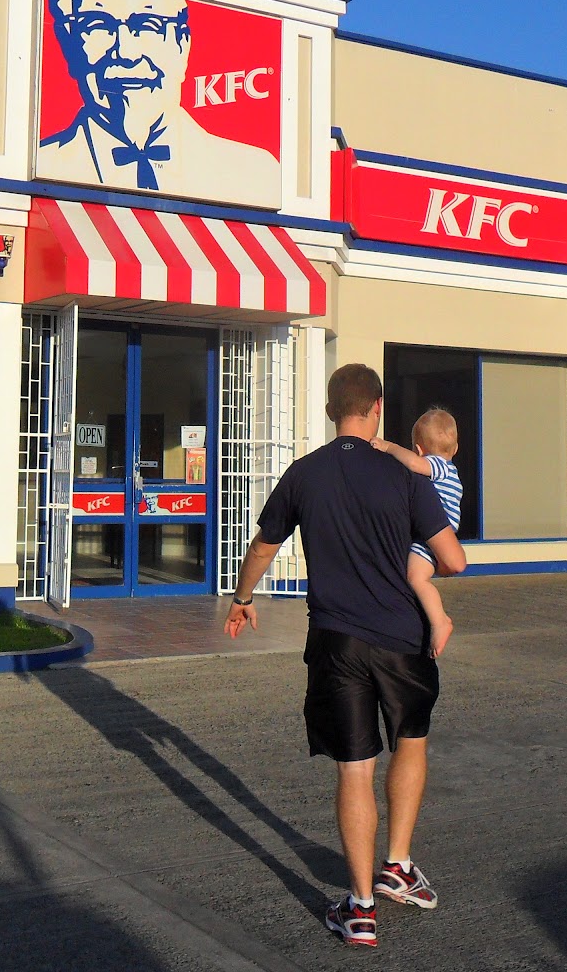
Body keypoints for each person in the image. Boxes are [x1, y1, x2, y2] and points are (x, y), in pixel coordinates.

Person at [224, 364, 466, 949]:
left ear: (333, 409)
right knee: (410, 743)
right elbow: (453, 560)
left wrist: (242, 597)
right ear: (378, 407)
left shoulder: (304, 473)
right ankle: (399, 867)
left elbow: (263, 546)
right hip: (404, 641)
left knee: (354, 767)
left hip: (337, 642)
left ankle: (359, 909)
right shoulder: (407, 475)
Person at [39, 0, 282, 209]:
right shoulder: (46, 162)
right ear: (67, 45)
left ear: (182, 46)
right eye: (97, 25)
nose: (126, 53)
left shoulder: (257, 175)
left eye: (148, 25)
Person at [373, 407, 464, 659]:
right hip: (436, 534)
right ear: (455, 449)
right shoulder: (450, 468)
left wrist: (388, 447)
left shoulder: (437, 465)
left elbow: (414, 464)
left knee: (416, 578)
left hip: (429, 537)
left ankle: (439, 620)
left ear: (419, 449)